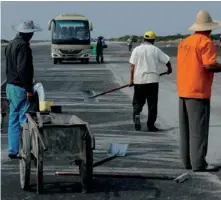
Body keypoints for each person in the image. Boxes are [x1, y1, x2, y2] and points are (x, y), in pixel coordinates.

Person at [176, 10, 221, 172]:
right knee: (198, 130)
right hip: (198, 91)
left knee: (186, 130)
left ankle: (187, 161)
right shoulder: (206, 42)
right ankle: (199, 163)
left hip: (183, 89)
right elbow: (209, 65)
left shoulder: (184, 42)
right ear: (209, 27)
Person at [5, 20, 42, 159]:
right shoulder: (23, 46)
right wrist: (28, 89)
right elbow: (23, 70)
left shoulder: (10, 44)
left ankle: (13, 150)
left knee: (13, 118)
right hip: (20, 87)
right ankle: (26, 149)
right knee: (25, 118)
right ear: (29, 33)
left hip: (10, 86)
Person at [129, 31, 172, 131]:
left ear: (144, 39)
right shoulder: (155, 50)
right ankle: (150, 125)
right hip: (152, 80)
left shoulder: (136, 50)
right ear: (153, 40)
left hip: (139, 80)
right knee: (152, 104)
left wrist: (131, 80)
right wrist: (169, 69)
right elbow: (167, 61)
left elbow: (132, 66)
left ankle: (137, 113)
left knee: (138, 101)